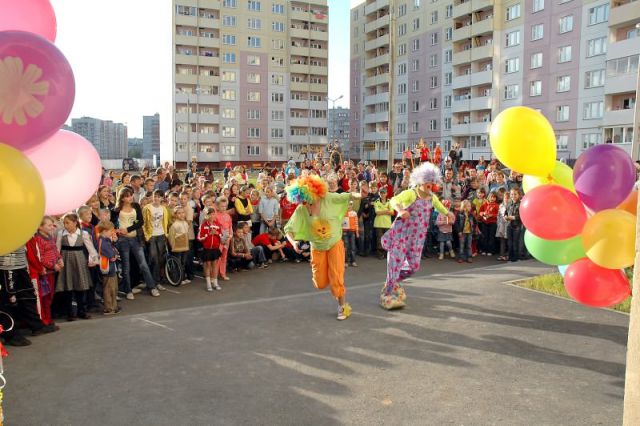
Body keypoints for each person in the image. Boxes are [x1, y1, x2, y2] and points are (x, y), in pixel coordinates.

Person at [284, 174, 359, 320]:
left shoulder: (328, 198)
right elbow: (288, 229)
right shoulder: (302, 210)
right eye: (303, 198)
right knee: (320, 283)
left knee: (336, 277)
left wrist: (358, 194)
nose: (307, 201)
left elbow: (346, 196)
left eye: (309, 196)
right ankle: (335, 285)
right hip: (317, 247)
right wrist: (294, 243)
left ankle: (343, 307)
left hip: (334, 244)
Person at [380, 162, 448, 310]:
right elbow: (394, 200)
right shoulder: (411, 193)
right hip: (401, 235)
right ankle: (387, 293)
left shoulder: (432, 197)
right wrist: (400, 210)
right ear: (421, 181)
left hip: (417, 238)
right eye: (429, 182)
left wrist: (448, 213)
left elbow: (439, 206)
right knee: (395, 264)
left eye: (433, 182)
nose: (432, 186)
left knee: (414, 267)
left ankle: (392, 282)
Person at [111, 187, 159, 299]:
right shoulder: (116, 210)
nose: (130, 197)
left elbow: (140, 222)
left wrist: (128, 229)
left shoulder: (136, 206)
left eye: (131, 195)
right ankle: (128, 291)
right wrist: (117, 230)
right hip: (122, 241)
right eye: (127, 196)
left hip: (135, 239)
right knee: (126, 267)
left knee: (143, 264)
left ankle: (152, 287)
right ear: (122, 198)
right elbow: (112, 224)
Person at [55, 213, 100, 320]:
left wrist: (94, 259)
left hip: (79, 261)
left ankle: (81, 310)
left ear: (75, 223)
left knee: (80, 287)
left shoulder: (83, 234)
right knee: (68, 287)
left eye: (68, 223)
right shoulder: (61, 234)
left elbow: (91, 248)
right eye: (64, 223)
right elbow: (57, 249)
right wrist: (57, 261)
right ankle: (70, 313)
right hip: (66, 262)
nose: (65, 225)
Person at [26, 216, 63, 326]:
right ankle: (45, 320)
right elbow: (40, 257)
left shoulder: (49, 237)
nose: (52, 227)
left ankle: (48, 318)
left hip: (52, 271)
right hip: (45, 273)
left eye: (52, 225)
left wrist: (60, 259)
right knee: (44, 297)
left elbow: (55, 250)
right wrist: (52, 265)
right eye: (49, 225)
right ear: (40, 227)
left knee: (50, 296)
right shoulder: (38, 240)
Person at [143, 190, 170, 288]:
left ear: (162, 198)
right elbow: (144, 223)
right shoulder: (147, 208)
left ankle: (157, 281)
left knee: (160, 259)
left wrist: (166, 234)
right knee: (153, 259)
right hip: (152, 236)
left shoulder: (163, 208)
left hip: (161, 235)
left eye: (159, 197)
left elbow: (165, 222)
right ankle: (152, 282)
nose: (156, 198)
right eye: (155, 196)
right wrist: (147, 236)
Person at [96, 221, 121, 315]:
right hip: (108, 268)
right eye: (111, 231)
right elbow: (111, 253)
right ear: (104, 231)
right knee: (109, 288)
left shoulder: (105, 239)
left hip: (109, 267)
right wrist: (115, 253)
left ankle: (113, 306)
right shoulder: (103, 241)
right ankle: (109, 308)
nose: (112, 232)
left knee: (112, 288)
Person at [198, 208, 222, 292]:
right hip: (207, 249)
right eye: (210, 214)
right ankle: (208, 283)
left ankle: (215, 282)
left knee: (215, 265)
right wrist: (208, 234)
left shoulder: (218, 224)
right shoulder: (203, 225)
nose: (212, 216)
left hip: (215, 248)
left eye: (213, 214)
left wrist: (217, 233)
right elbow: (199, 238)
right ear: (206, 215)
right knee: (207, 265)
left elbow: (222, 236)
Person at [168, 206, 191, 284]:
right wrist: (173, 246)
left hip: (185, 247)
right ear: (175, 215)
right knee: (178, 263)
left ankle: (182, 278)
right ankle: (177, 279)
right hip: (177, 248)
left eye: (183, 213)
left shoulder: (185, 223)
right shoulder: (174, 225)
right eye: (179, 213)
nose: (181, 215)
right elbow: (171, 237)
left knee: (183, 263)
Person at [214, 196, 233, 281]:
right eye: (222, 206)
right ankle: (215, 274)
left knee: (224, 257)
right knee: (217, 257)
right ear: (217, 206)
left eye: (225, 206)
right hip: (219, 239)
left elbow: (230, 227)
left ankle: (223, 273)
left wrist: (230, 236)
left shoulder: (228, 216)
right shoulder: (215, 216)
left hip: (227, 239)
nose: (224, 208)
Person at [373, 187, 393, 260]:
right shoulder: (376, 201)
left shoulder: (390, 201)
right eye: (381, 192)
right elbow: (377, 212)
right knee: (379, 239)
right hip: (378, 223)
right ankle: (380, 254)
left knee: (387, 239)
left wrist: (382, 211)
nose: (382, 194)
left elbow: (392, 212)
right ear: (379, 193)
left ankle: (386, 253)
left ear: (386, 193)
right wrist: (386, 211)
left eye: (384, 192)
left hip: (387, 224)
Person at [478, 191, 499, 256]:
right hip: (485, 223)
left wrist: (491, 215)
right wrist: (483, 214)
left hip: (492, 223)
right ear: (488, 197)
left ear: (496, 198)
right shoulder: (485, 204)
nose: (492, 198)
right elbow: (480, 212)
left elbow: (498, 214)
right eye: (491, 197)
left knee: (491, 237)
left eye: (494, 197)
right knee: (485, 236)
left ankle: (491, 250)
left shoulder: (496, 205)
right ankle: (484, 250)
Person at [505, 188, 522, 262]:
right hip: (509, 225)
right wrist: (505, 216)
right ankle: (510, 257)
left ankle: (515, 258)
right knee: (509, 242)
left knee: (515, 242)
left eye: (515, 194)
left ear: (519, 195)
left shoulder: (521, 204)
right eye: (512, 194)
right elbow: (506, 212)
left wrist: (513, 217)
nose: (513, 196)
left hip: (517, 226)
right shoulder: (509, 203)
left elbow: (521, 216)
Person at [342, 201, 359, 267]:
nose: (349, 206)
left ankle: (353, 261)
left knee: (353, 247)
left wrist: (357, 232)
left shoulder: (354, 213)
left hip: (352, 231)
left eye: (350, 205)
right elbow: (341, 223)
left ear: (352, 205)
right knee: (346, 247)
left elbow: (356, 223)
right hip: (345, 231)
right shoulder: (343, 213)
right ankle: (346, 261)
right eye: (347, 205)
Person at [496, 190, 511, 261]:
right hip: (502, 225)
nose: (506, 199)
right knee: (502, 241)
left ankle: (508, 255)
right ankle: (502, 254)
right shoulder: (501, 205)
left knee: (508, 241)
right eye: (505, 197)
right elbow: (498, 215)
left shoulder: (511, 205)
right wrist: (498, 223)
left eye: (508, 198)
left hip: (508, 225)